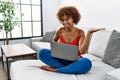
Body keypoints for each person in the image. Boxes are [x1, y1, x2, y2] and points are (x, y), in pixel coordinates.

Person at [38, 6, 105, 74]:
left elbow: (82, 51)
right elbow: (54, 41)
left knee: (86, 63)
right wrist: (55, 47)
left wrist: (89, 33)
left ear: (74, 19)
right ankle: (69, 68)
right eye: (63, 20)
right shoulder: (60, 30)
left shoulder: (80, 32)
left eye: (67, 19)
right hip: (60, 59)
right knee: (41, 52)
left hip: (75, 60)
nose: (65, 22)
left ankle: (55, 70)